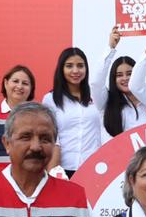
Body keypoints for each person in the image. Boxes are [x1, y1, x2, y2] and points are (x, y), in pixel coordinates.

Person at [43, 47, 102, 175]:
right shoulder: (50, 99)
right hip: (63, 167)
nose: (75, 71)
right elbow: (49, 135)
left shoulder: (96, 95)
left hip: (93, 167)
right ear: (61, 69)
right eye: (69, 66)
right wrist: (52, 168)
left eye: (80, 66)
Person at [97, 27, 146, 141]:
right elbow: (96, 83)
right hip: (119, 158)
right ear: (113, 79)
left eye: (129, 73)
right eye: (119, 75)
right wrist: (110, 48)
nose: (125, 78)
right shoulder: (106, 102)